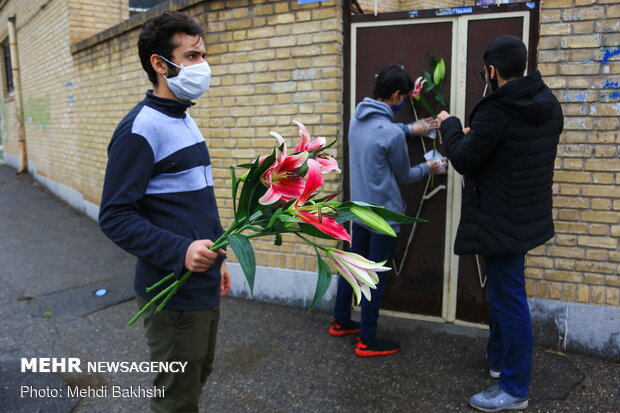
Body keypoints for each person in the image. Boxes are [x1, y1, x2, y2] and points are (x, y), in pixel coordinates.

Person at [99, 11, 231, 413]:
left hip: (202, 284)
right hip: (169, 294)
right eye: (192, 56)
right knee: (176, 398)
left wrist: (219, 257)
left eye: (203, 55)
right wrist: (180, 251)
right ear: (160, 64)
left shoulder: (185, 117)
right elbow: (115, 215)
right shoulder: (140, 129)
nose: (202, 66)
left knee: (197, 377)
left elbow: (197, 201)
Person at [437, 35, 563, 411]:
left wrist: (451, 125)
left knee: (510, 300)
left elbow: (464, 158)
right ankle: (498, 362)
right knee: (504, 290)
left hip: (500, 218)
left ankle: (514, 389)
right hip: (526, 215)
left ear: (491, 71)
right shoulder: (545, 103)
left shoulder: (497, 110)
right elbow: (515, 151)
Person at [329, 64, 446, 357]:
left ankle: (340, 322)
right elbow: (405, 175)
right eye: (403, 97)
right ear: (396, 95)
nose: (403, 102)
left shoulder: (358, 118)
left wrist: (409, 128)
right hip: (383, 217)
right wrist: (429, 167)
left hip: (358, 211)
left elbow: (379, 133)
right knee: (375, 278)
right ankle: (368, 340)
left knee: (354, 268)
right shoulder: (391, 135)